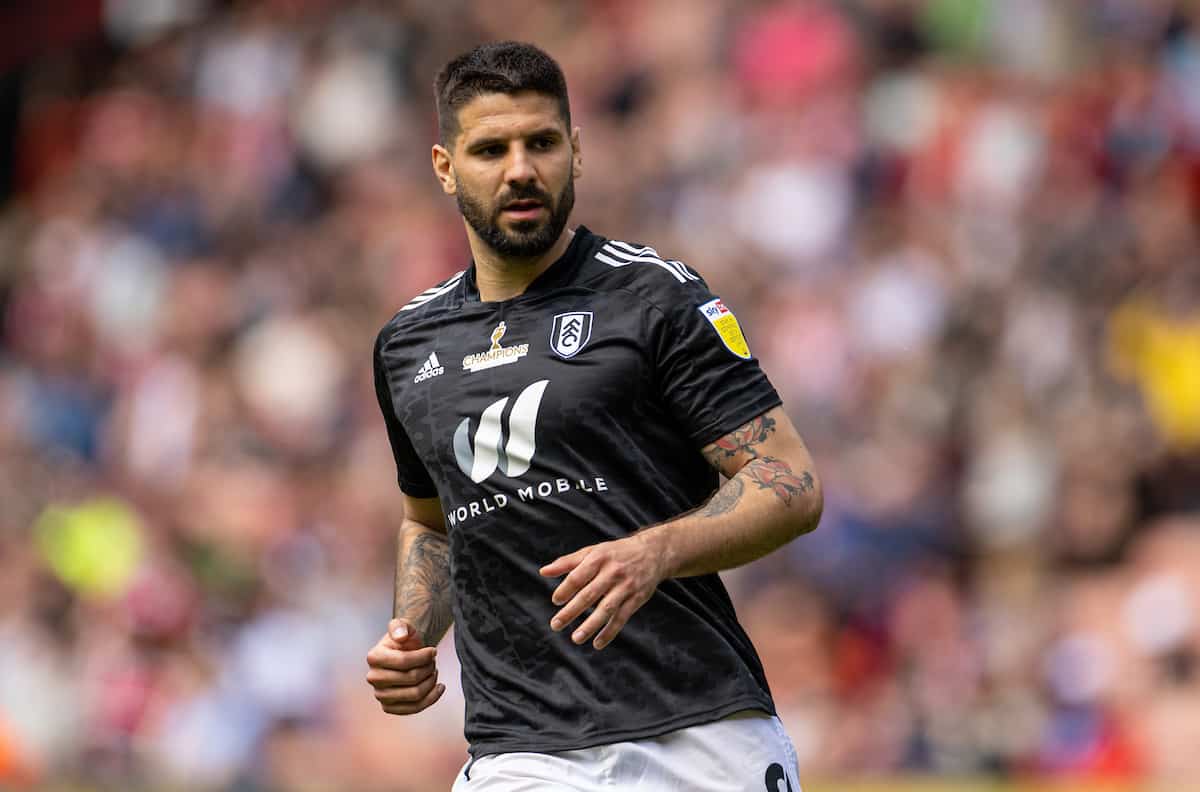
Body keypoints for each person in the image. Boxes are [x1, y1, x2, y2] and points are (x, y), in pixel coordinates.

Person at [367, 41, 822, 792]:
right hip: (521, 751)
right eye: (490, 149)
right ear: (446, 167)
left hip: (698, 731)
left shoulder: (654, 299)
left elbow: (792, 481)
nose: (520, 169)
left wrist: (655, 552)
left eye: (541, 143)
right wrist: (414, 634)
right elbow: (431, 522)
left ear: (576, 152)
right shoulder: (406, 346)